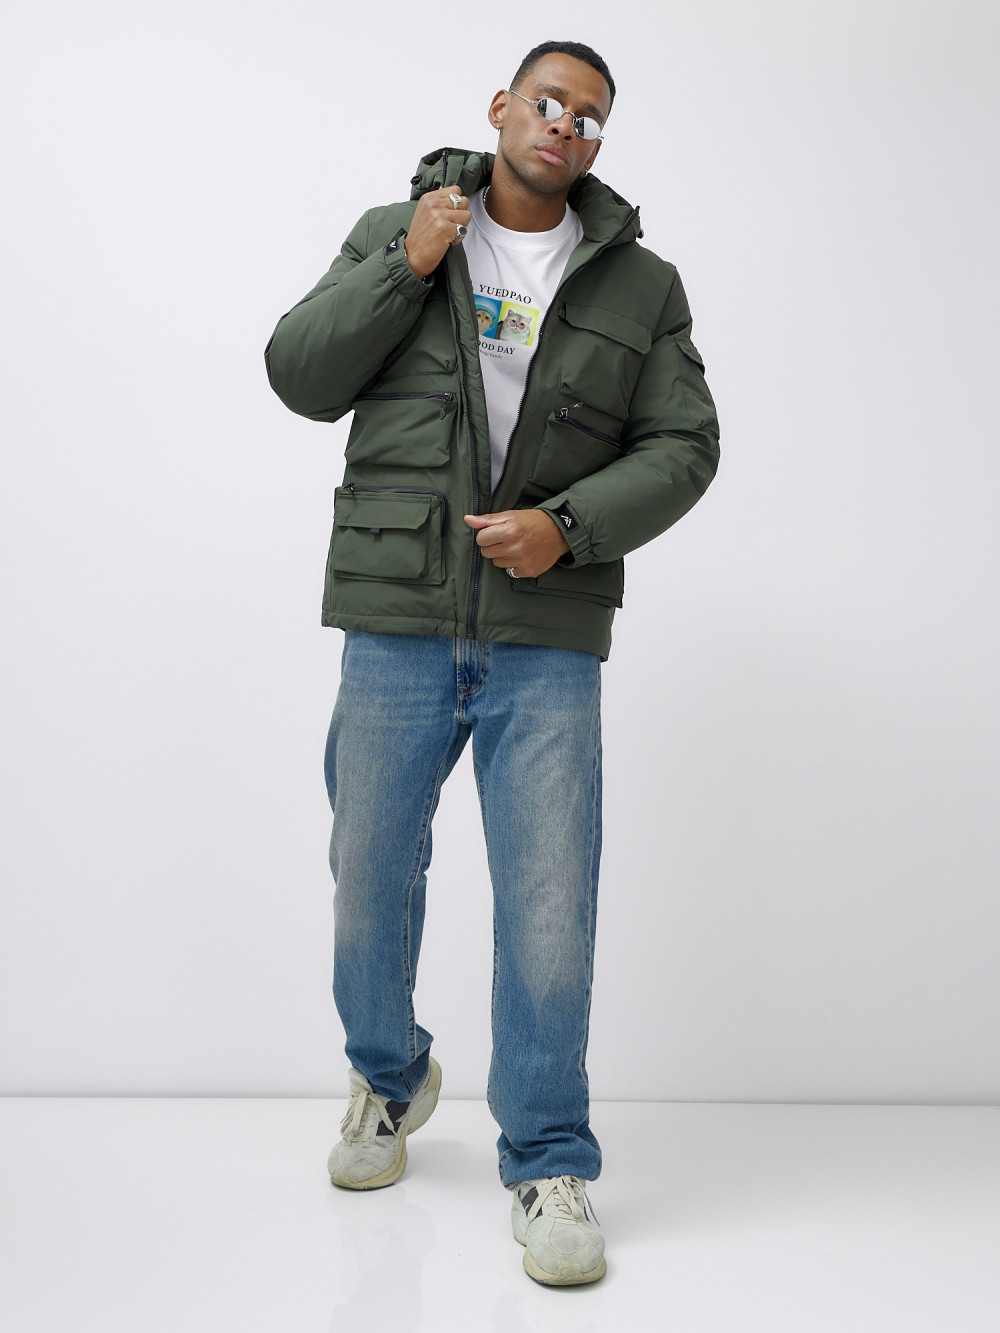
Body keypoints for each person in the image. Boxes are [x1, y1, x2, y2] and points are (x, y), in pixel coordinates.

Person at [264, 39, 720, 1287]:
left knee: (549, 907)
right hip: (397, 615)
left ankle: (549, 1160)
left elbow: (685, 444)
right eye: (547, 102)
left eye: (589, 116)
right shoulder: (400, 229)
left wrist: (566, 527)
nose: (565, 125)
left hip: (545, 633)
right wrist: (405, 266)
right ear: (502, 108)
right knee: (367, 875)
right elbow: (298, 374)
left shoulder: (640, 284)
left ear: (596, 141)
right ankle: (388, 1076)